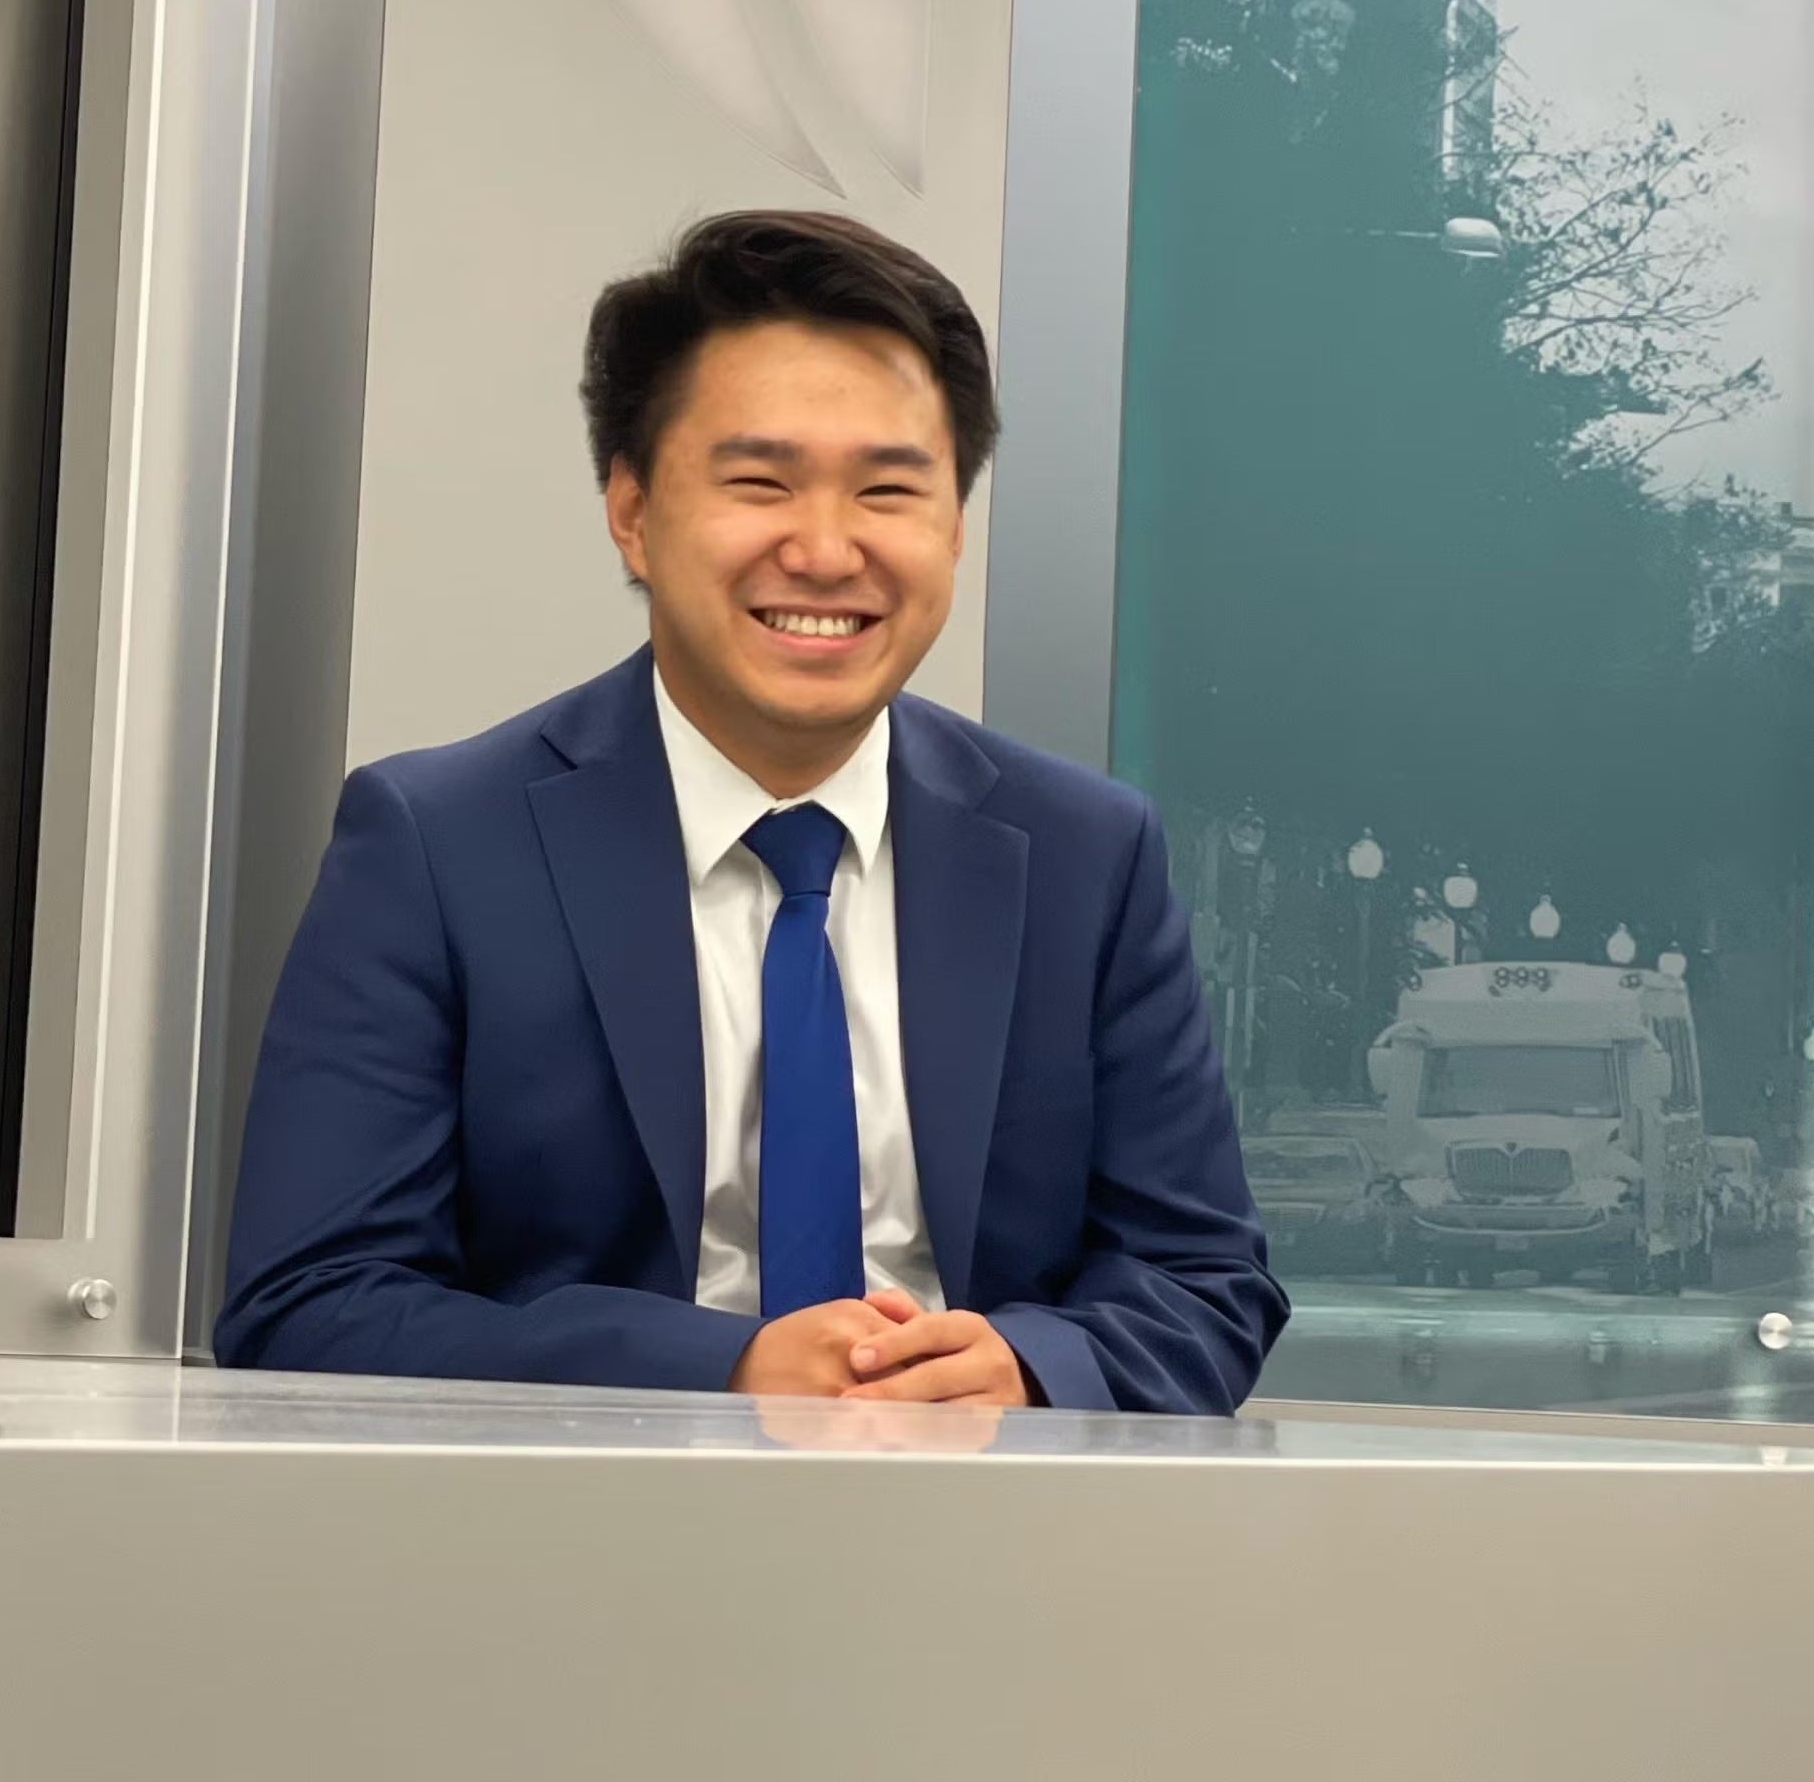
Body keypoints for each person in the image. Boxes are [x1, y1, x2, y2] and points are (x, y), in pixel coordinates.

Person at [216, 211, 1284, 1413]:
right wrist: (722, 1370)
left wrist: (1032, 1368)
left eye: (889, 489)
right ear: (632, 509)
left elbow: (1203, 1284)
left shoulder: (1087, 856)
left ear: (954, 527)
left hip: (982, 1543)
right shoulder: (436, 843)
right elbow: (312, 1300)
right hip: (575, 1554)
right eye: (759, 482)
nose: (827, 551)